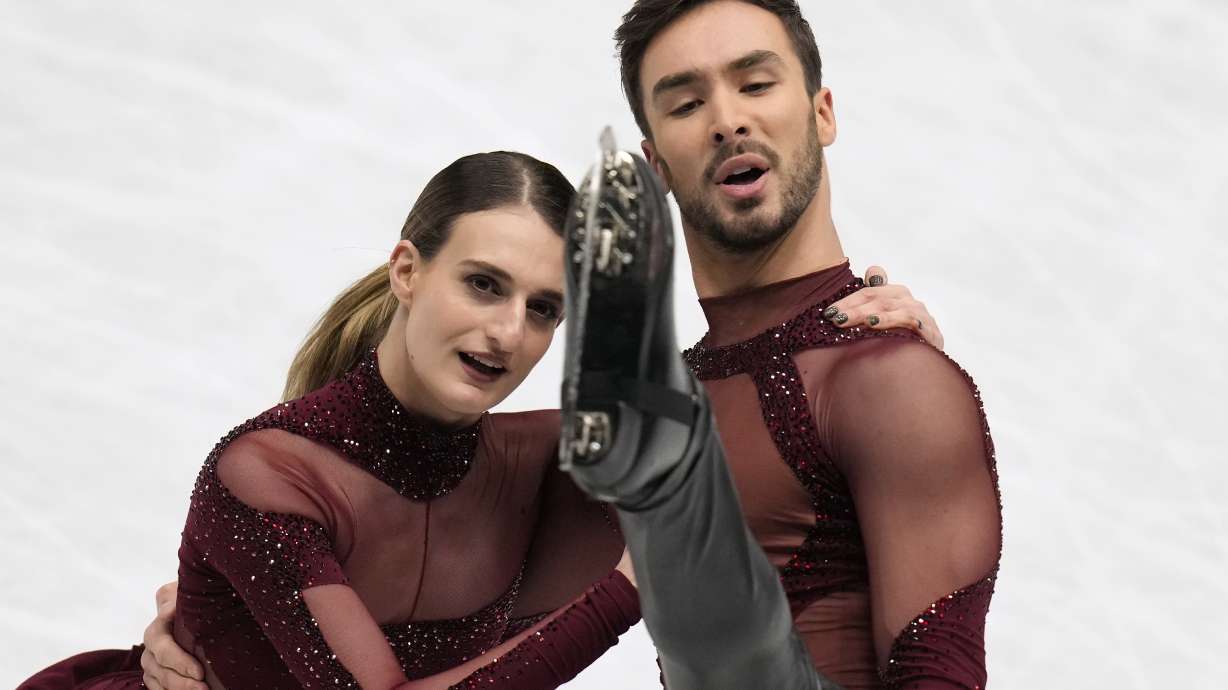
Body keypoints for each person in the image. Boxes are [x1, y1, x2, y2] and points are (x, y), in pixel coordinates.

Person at [21, 147, 935, 689]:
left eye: (543, 308)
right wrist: (627, 586)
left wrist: (886, 348)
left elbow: (769, 410)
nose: (508, 332)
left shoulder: (541, 464)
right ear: (408, 270)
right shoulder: (266, 473)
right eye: (484, 284)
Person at [578, 1, 1002, 687]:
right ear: (654, 166)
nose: (726, 120)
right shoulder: (658, 406)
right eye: (687, 105)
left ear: (821, 113)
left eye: (755, 84)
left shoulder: (888, 378)